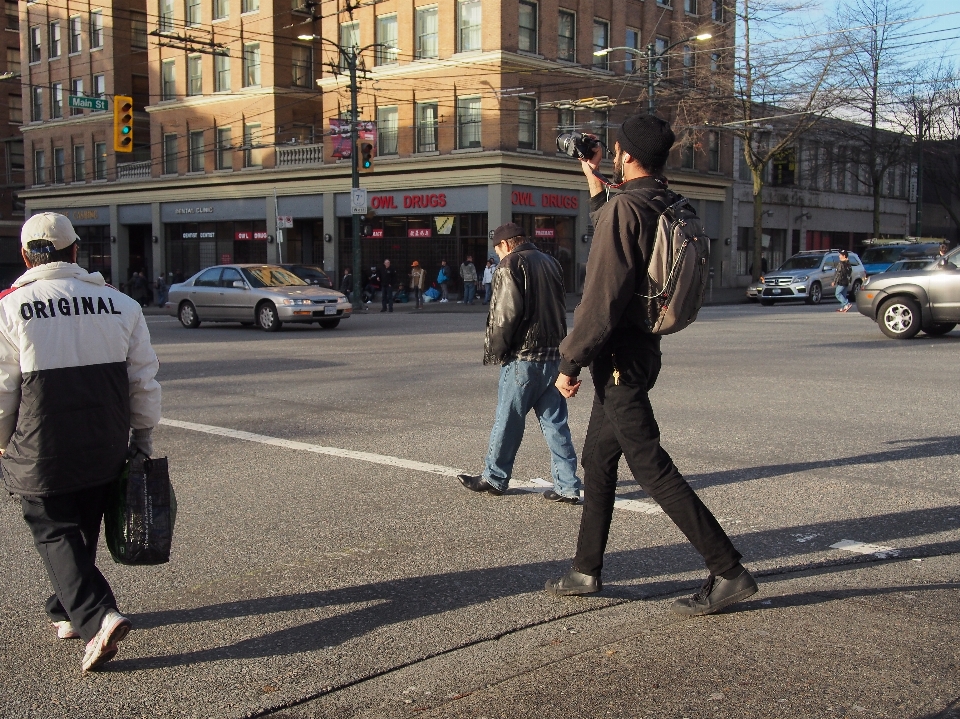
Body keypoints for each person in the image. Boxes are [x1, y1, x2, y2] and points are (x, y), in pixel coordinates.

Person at [547, 115, 757, 616]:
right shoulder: (664, 200)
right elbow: (622, 231)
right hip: (643, 349)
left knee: (650, 466)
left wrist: (570, 363)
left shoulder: (626, 208)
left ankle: (728, 571)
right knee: (598, 460)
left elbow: (601, 297)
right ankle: (585, 569)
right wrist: (593, 178)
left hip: (617, 355)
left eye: (615, 150)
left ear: (624, 152)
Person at [0, 213, 161, 672]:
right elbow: (143, 381)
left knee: (53, 530)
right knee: (82, 528)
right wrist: (143, 436)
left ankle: (98, 616)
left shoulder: (9, 308)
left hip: (41, 446)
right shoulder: (122, 305)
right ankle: (66, 610)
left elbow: (2, 390)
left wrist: (1, 442)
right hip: (106, 442)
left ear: (26, 255)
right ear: (76, 252)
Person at [457, 223, 581, 504]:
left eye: (497, 249)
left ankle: (495, 477)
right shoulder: (551, 262)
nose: (498, 255)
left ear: (506, 245)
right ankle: (568, 485)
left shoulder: (510, 265)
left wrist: (496, 351)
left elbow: (505, 315)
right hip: (553, 355)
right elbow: (561, 306)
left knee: (508, 420)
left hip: (524, 357)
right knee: (555, 423)